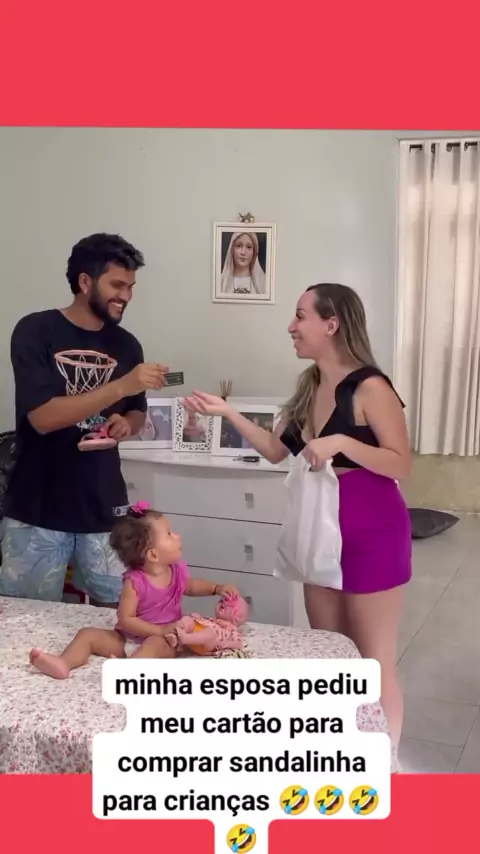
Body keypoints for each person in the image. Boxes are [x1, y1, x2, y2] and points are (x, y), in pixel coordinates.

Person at [183, 283, 412, 748]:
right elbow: (275, 450)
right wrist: (228, 412)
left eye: (301, 316)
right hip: (318, 531)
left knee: (372, 662)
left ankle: (385, 763)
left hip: (372, 532)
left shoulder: (370, 387)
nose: (291, 326)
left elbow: (401, 463)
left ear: (332, 324)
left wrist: (343, 442)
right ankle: (341, 748)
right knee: (331, 653)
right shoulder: (309, 387)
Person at [0, 233, 169, 607]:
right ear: (85, 281)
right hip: (36, 508)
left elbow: (136, 410)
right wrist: (120, 385)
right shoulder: (35, 330)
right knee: (24, 620)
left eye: (131, 287)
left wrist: (127, 424)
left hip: (104, 507)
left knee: (123, 614)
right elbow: (43, 417)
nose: (126, 295)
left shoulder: (128, 345)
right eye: (117, 285)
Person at [28, 503, 238, 679]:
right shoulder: (134, 582)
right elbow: (126, 619)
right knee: (87, 634)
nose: (177, 536)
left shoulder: (176, 570)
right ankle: (64, 663)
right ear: (153, 555)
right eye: (169, 534)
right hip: (128, 639)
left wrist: (216, 588)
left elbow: (190, 586)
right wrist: (157, 630)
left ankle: (128, 670)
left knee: (154, 645)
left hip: (167, 640)